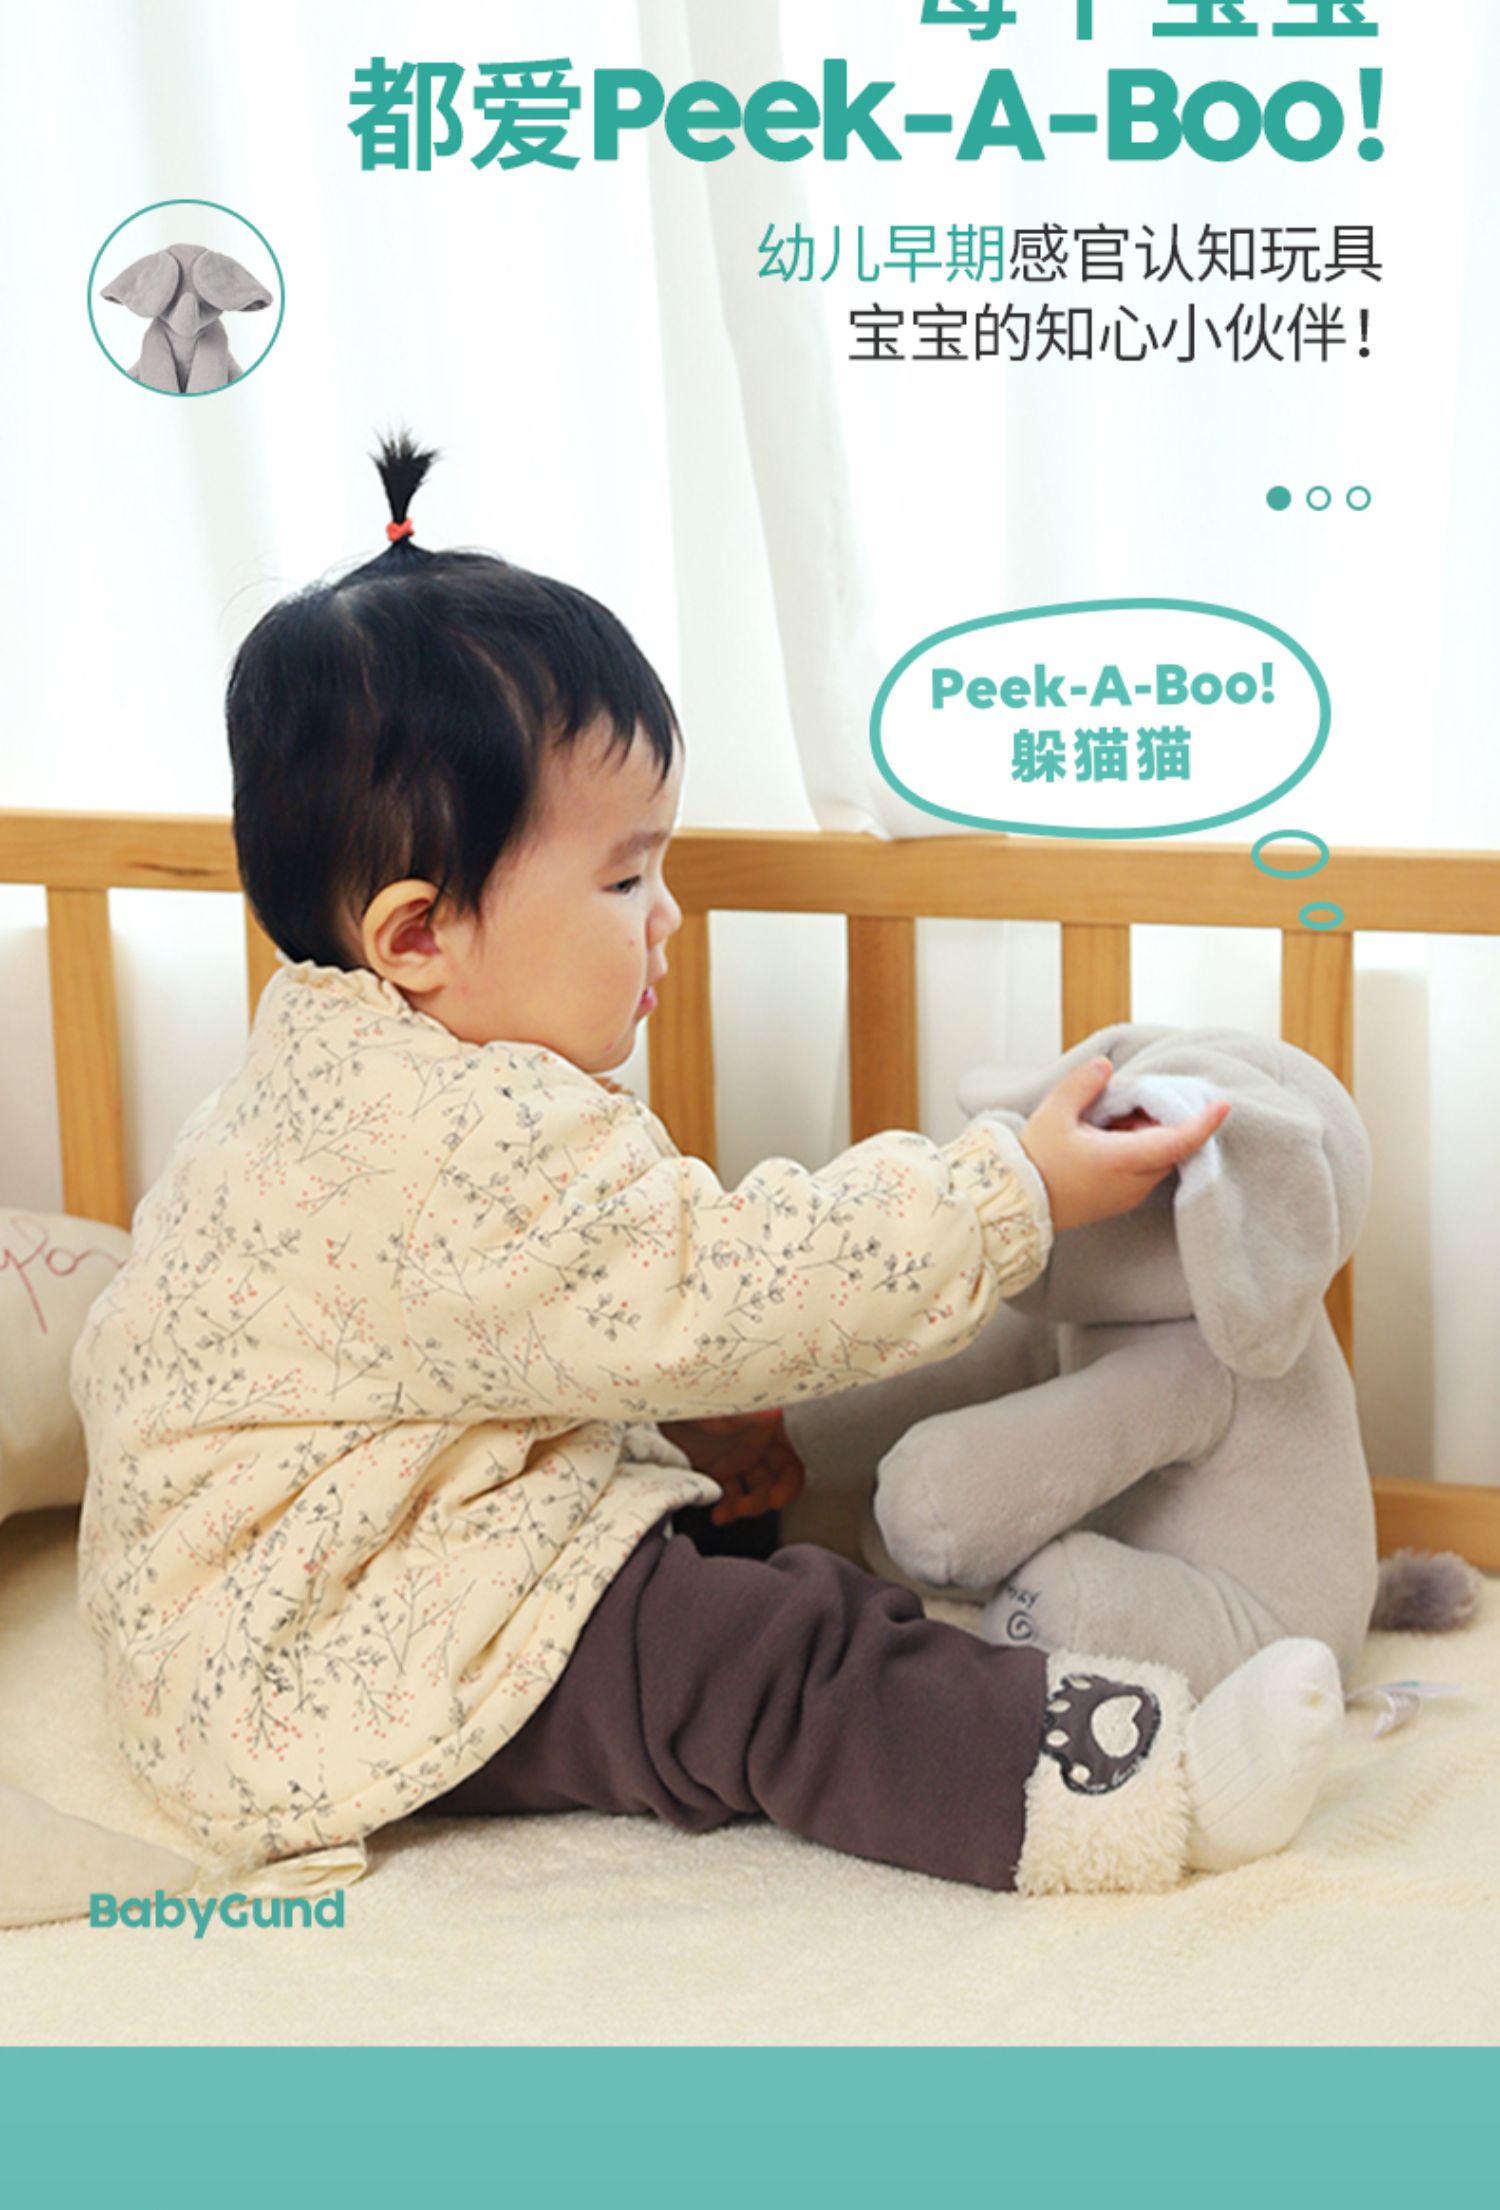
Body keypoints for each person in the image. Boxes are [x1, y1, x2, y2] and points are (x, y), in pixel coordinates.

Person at [71, 432, 1345, 1900]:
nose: (668, 916)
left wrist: (663, 1436)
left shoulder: (313, 1083)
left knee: (715, 1526)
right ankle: (1136, 1786)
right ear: (419, 933)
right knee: (766, 1659)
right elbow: (723, 1282)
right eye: (626, 877)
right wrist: (1016, 1189)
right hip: (340, 1649)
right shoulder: (463, 1137)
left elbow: (478, 1352)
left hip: (252, 1621)